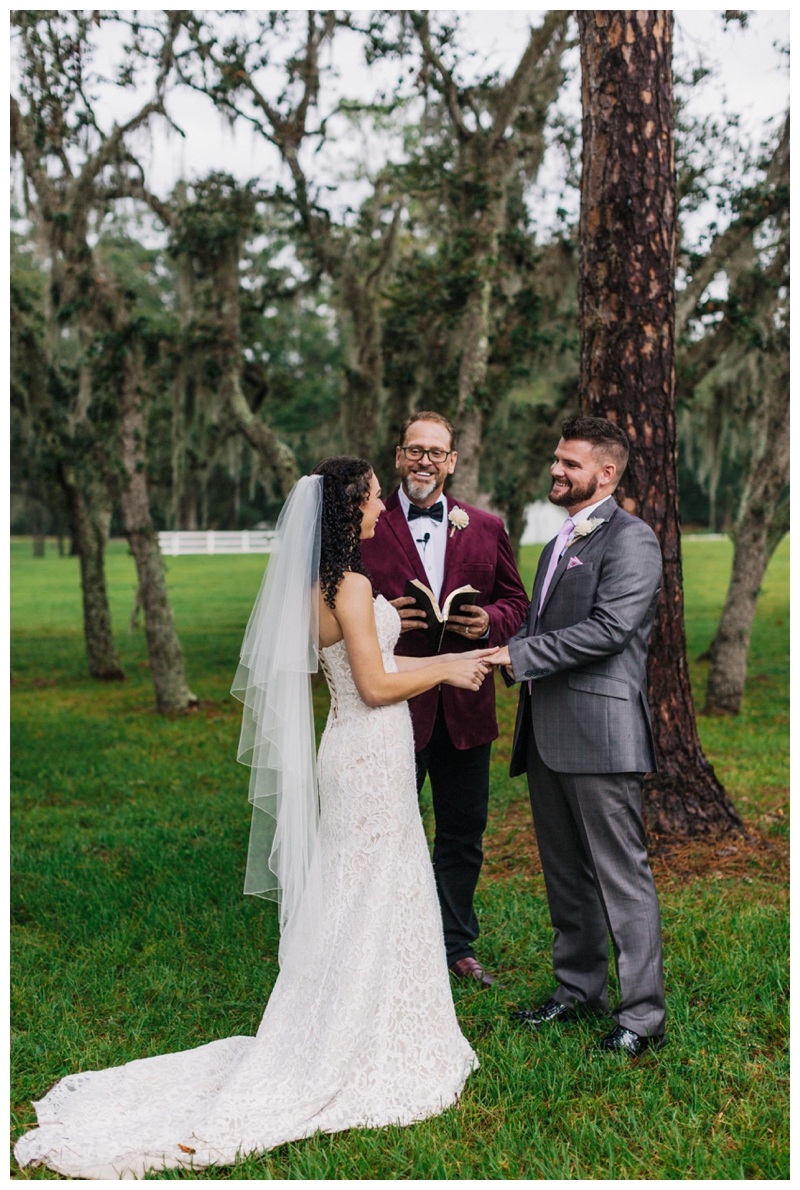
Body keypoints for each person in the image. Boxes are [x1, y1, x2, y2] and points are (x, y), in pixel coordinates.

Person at [15, 457, 498, 1179]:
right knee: (377, 885)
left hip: (348, 749)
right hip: (370, 750)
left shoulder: (317, 590)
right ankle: (364, 1041)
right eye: (370, 498)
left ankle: (343, 1020)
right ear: (350, 508)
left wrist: (384, 625)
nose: (378, 509)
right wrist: (448, 668)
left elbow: (344, 660)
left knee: (358, 888)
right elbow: (372, 684)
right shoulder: (356, 583)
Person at [490, 417, 667, 1057]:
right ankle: (577, 991)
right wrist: (493, 643)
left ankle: (642, 1017)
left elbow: (608, 630)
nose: (557, 471)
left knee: (622, 878)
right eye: (556, 460)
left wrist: (517, 657)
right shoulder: (556, 543)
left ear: (606, 473)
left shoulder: (632, 541)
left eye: (570, 463)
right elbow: (542, 622)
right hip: (546, 734)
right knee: (565, 877)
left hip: (602, 733)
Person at [361, 412, 528, 988]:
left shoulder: (484, 526)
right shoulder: (366, 524)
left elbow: (516, 602)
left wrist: (487, 622)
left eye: (436, 452)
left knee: (463, 831)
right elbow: (337, 602)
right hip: (392, 707)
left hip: (466, 710)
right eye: (415, 450)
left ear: (452, 461)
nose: (425, 461)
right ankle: (383, 943)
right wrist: (384, 616)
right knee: (385, 830)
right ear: (399, 455)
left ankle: (455, 945)